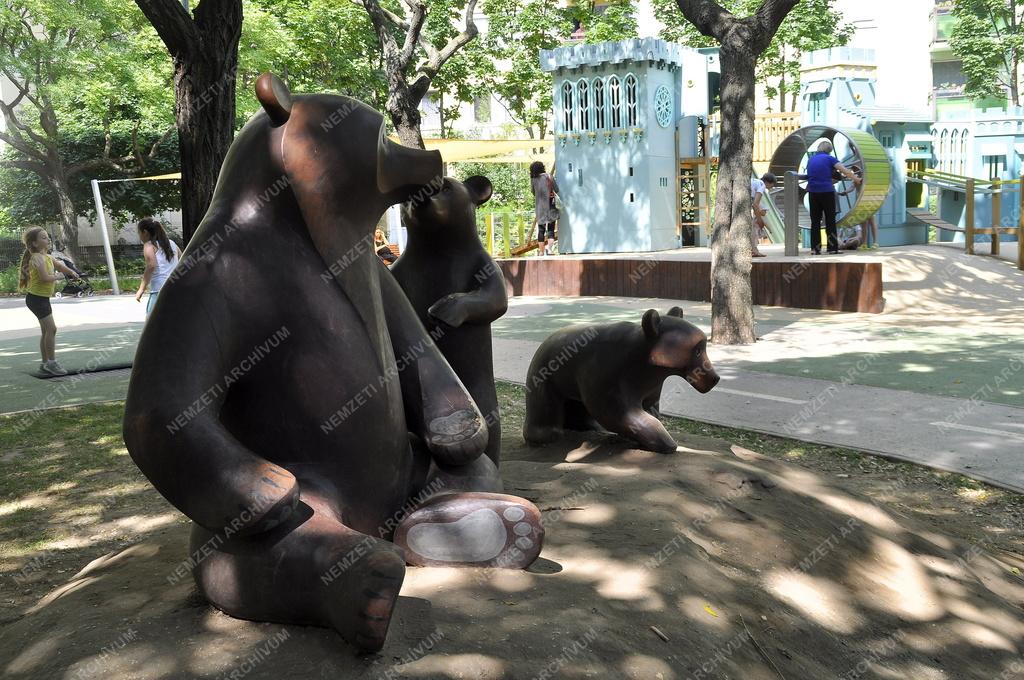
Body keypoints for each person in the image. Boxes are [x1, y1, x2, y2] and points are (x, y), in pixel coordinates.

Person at [19, 227, 81, 375]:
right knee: (52, 329)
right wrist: (61, 277)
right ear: (34, 243)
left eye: (47, 237)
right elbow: (45, 278)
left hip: (40, 299)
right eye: (44, 238)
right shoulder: (37, 258)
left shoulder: (47, 256)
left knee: (46, 331)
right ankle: (52, 363)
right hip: (36, 299)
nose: (48, 240)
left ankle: (45, 363)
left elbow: (60, 265)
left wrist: (71, 272)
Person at [806, 141, 861, 255]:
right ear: (829, 150)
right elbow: (844, 171)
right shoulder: (830, 159)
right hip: (826, 191)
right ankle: (832, 248)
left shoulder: (810, 159)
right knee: (830, 220)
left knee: (815, 221)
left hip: (812, 192)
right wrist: (856, 179)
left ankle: (815, 249)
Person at [135, 217, 181, 318]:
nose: (139, 236)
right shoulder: (172, 243)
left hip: (159, 290)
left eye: (139, 233)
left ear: (145, 232)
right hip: (175, 289)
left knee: (152, 325)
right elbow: (182, 260)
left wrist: (141, 289)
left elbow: (151, 265)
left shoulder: (149, 245)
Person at [837, 165, 878, 249]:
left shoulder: (867, 178)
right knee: (864, 224)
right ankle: (864, 243)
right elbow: (852, 188)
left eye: (857, 169)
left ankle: (875, 242)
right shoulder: (856, 179)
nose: (855, 171)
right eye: (854, 170)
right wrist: (845, 192)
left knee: (871, 221)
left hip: (868, 202)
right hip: (860, 204)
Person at [530, 161, 559, 256]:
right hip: (550, 204)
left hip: (540, 207)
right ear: (542, 167)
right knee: (551, 229)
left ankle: (541, 252)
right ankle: (550, 250)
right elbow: (557, 189)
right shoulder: (549, 176)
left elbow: (533, 192)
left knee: (541, 229)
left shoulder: (533, 179)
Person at [750, 172, 777, 258]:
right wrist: (759, 220)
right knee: (754, 227)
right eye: (772, 185)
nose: (771, 187)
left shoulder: (755, 181)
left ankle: (753, 249)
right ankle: (754, 250)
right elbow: (755, 204)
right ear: (768, 182)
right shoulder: (761, 185)